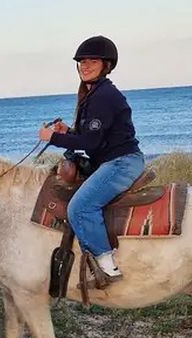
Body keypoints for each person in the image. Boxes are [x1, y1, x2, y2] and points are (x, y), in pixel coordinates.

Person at [39, 35, 144, 282]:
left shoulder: (103, 96)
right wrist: (68, 133)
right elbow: (93, 136)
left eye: (92, 61)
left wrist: (51, 137)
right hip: (114, 160)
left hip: (121, 162)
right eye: (81, 62)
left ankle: (107, 266)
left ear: (106, 65)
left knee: (80, 207)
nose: (85, 66)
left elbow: (91, 143)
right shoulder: (94, 94)